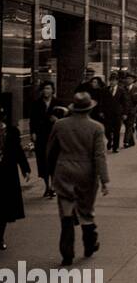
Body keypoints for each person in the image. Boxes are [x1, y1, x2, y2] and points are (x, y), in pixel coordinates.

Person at [46, 92, 109, 265]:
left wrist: (50, 174)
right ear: (89, 109)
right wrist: (104, 180)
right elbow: (99, 156)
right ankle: (90, 243)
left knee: (66, 212)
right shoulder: (97, 128)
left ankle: (67, 253)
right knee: (86, 211)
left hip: (64, 170)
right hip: (86, 173)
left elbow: (51, 151)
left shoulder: (60, 125)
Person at [0, 108, 32, 250]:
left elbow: (18, 151)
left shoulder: (12, 132)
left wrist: (25, 169)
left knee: (4, 208)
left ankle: (0, 237)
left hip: (7, 174)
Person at [29, 80, 59, 198]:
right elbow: (32, 119)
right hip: (41, 135)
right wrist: (33, 133)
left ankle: (53, 186)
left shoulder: (58, 102)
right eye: (44, 89)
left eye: (48, 88)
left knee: (53, 160)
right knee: (42, 161)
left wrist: (57, 120)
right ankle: (47, 186)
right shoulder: (36, 103)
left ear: (52, 90)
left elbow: (64, 118)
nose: (46, 91)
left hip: (54, 136)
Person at [101, 71, 124, 153]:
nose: (112, 82)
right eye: (111, 80)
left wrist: (124, 113)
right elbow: (102, 101)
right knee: (107, 130)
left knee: (116, 131)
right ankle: (109, 140)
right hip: (107, 113)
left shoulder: (121, 90)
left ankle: (115, 147)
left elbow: (125, 102)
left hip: (117, 114)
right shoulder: (105, 90)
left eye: (114, 80)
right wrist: (101, 111)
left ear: (117, 81)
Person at [122, 72, 137, 146]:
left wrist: (135, 109)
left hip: (133, 111)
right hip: (124, 111)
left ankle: (126, 141)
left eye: (130, 79)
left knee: (129, 125)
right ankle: (131, 141)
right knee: (127, 125)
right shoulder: (123, 88)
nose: (128, 80)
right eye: (127, 78)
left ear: (133, 80)